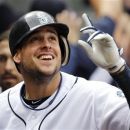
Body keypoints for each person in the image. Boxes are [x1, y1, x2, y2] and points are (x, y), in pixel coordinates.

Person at [0, 11, 130, 130]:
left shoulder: (94, 97)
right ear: (17, 55)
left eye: (52, 38)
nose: (47, 45)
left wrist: (120, 70)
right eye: (35, 39)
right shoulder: (3, 106)